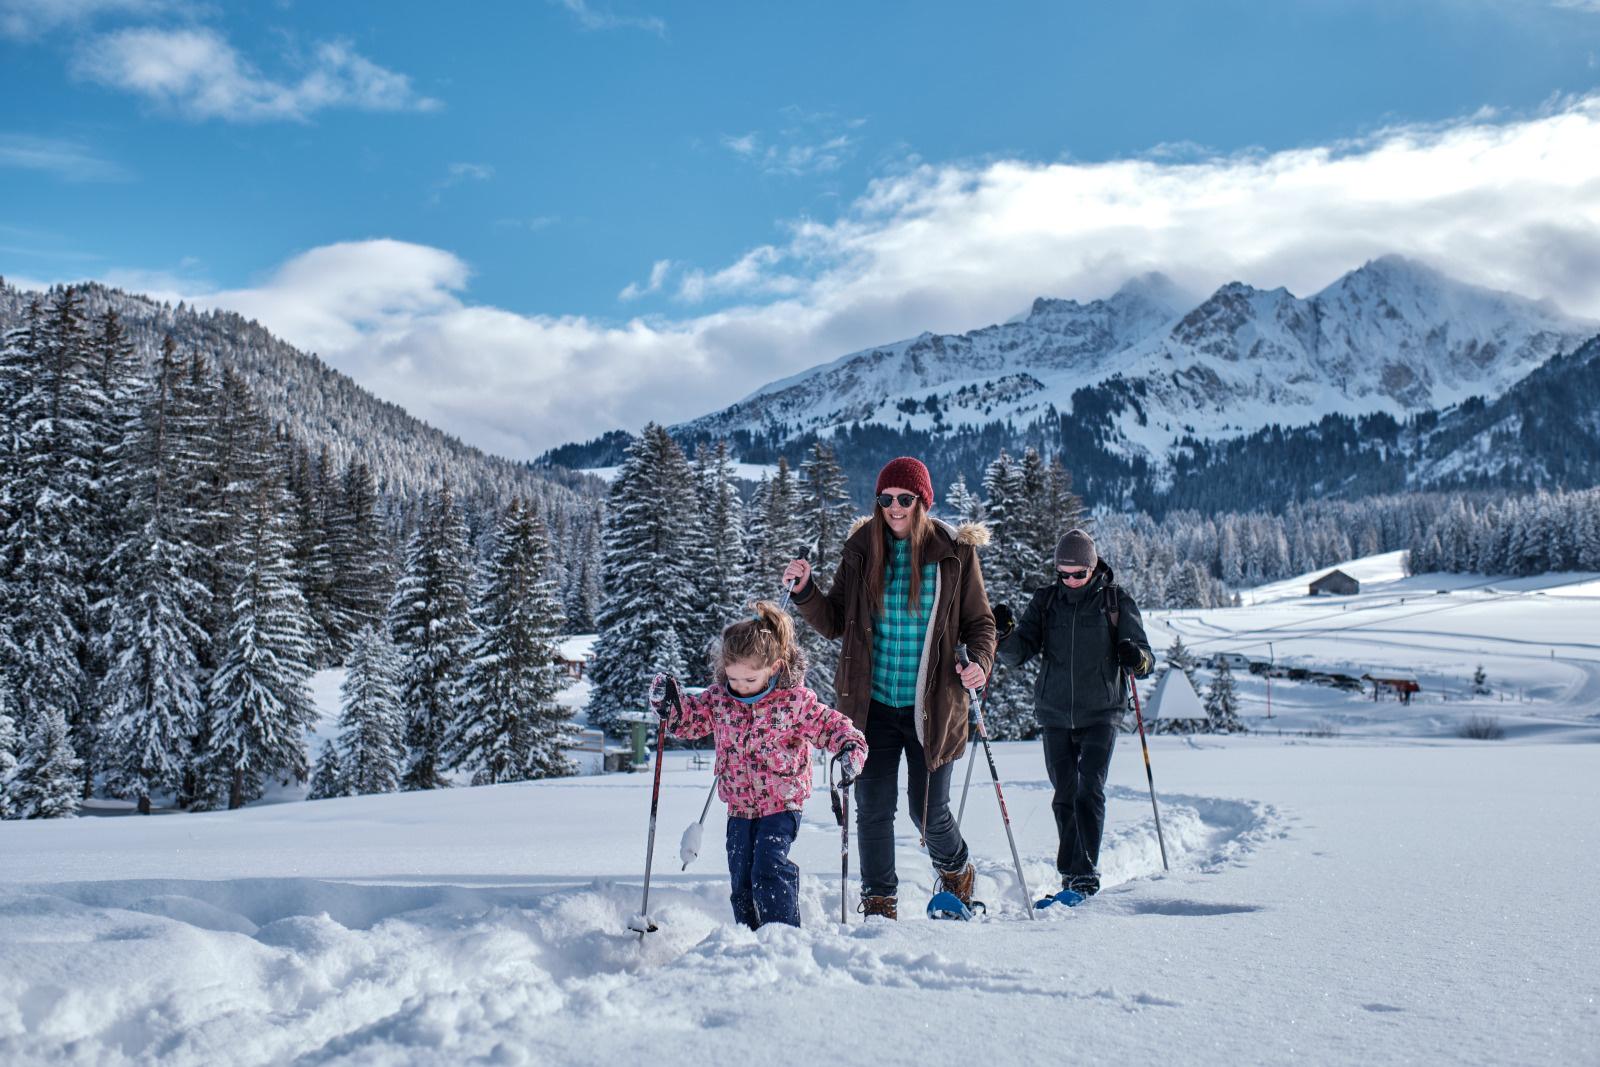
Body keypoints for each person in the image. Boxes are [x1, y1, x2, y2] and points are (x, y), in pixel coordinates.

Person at [783, 456, 995, 920]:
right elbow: (835, 620)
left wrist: (979, 661)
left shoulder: (955, 553)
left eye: (904, 499)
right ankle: (880, 902)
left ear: (923, 501)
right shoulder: (861, 549)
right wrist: (805, 592)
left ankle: (956, 869)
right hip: (872, 705)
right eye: (885, 499)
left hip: (932, 707)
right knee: (873, 808)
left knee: (928, 813)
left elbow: (981, 622)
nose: (894, 508)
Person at [654, 600, 865, 929]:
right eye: (733, 678)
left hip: (781, 804)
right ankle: (750, 938)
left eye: (749, 680)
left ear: (775, 667)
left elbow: (831, 726)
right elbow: (690, 723)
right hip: (738, 806)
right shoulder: (721, 699)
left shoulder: (793, 701)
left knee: (768, 868)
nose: (739, 686)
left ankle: (781, 936)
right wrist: (672, 706)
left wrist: (850, 747)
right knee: (741, 878)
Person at [994, 527, 1153, 905]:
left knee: (1089, 789)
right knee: (1064, 793)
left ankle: (1083, 876)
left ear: (1093, 567)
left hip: (1102, 711)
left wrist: (1136, 657)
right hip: (1054, 713)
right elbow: (1020, 653)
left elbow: (1146, 658)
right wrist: (1001, 635)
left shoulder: (1115, 602)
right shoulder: (1047, 602)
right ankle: (1073, 874)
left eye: (1077, 574)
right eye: (1062, 573)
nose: (1070, 580)